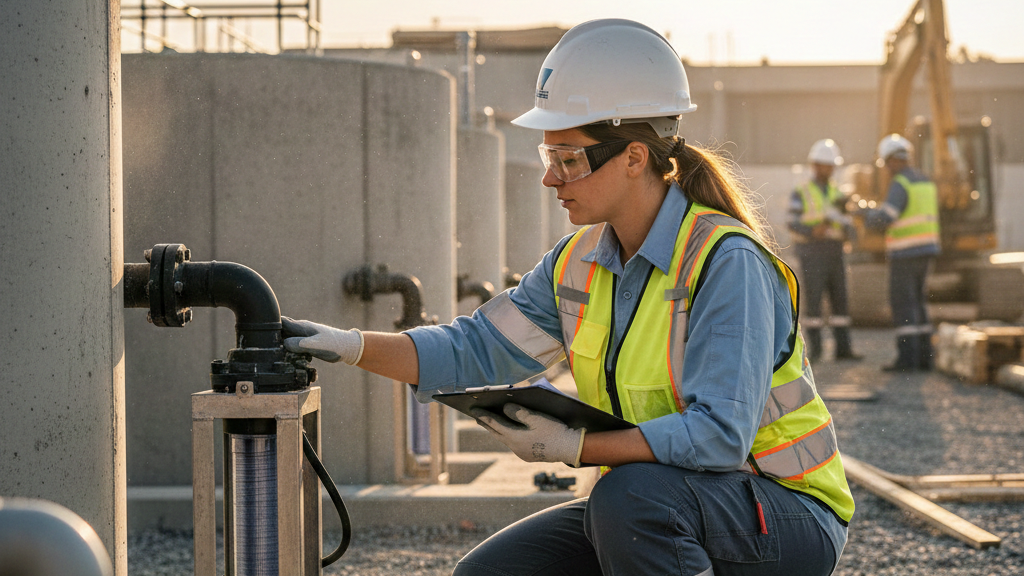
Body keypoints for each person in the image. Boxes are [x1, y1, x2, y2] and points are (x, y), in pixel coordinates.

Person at [284, 19, 853, 576]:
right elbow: (475, 348)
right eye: (547, 157)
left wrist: (578, 446)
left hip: (783, 510)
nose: (550, 179)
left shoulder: (727, 263)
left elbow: (719, 437)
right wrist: (351, 346)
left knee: (629, 502)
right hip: (661, 501)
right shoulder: (576, 261)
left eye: (568, 159)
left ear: (633, 157)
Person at [865, 134, 941, 372]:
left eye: (887, 163)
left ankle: (907, 360)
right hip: (926, 250)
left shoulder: (901, 183)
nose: (887, 169)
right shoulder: (925, 181)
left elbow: (887, 216)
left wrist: (866, 216)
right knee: (919, 303)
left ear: (892, 160)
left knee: (903, 304)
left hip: (905, 253)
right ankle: (925, 358)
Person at [786, 139, 862, 362]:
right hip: (812, 251)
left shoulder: (838, 193)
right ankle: (815, 351)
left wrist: (849, 226)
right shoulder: (801, 191)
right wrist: (812, 231)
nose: (828, 170)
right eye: (824, 165)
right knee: (814, 300)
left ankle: (843, 349)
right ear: (815, 165)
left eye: (831, 166)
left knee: (840, 300)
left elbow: (847, 221)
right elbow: (792, 222)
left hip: (835, 250)